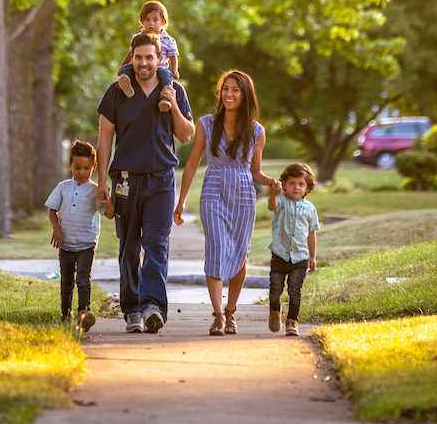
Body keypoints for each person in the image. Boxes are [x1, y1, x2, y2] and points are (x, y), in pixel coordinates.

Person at [97, 31, 194, 333]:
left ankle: (153, 306)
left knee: (156, 245)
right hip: (125, 181)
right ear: (132, 57)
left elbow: (186, 134)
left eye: (149, 57)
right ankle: (132, 310)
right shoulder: (117, 92)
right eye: (138, 57)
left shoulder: (173, 89)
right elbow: (104, 137)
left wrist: (173, 104)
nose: (143, 63)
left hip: (161, 181)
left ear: (159, 59)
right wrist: (101, 180)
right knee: (129, 246)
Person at [174, 70, 280, 336]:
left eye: (235, 90)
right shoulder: (206, 124)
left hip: (244, 192)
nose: (229, 94)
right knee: (217, 249)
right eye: (225, 89)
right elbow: (192, 164)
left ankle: (232, 312)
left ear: (245, 95)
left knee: (240, 255)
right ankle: (218, 316)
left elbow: (255, 171)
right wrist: (181, 201)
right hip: (213, 190)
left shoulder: (257, 131)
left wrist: (269, 182)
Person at [45, 140, 115, 332]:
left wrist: (107, 200)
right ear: (70, 166)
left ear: (94, 167)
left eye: (86, 168)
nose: (82, 172)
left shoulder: (95, 190)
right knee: (66, 282)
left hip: (86, 243)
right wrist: (56, 227)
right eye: (77, 167)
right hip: (66, 245)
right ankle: (65, 315)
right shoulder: (63, 187)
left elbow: (109, 214)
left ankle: (84, 313)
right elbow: (52, 209)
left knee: (83, 279)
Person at [267, 162, 319, 337]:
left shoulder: (310, 209)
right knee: (276, 290)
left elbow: (312, 234)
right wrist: (273, 193)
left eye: (301, 184)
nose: (296, 187)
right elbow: (272, 205)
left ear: (307, 187)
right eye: (292, 183)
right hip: (280, 255)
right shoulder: (280, 201)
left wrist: (312, 257)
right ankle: (275, 311)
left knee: (294, 291)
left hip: (300, 258)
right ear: (284, 184)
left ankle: (292, 321)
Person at [117, 0, 179, 112]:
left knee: (166, 76)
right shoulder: (138, 37)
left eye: (155, 20)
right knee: (127, 69)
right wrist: (122, 66)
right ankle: (126, 85)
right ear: (142, 22)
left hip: (161, 68)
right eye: (147, 20)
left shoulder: (168, 40)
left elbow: (173, 56)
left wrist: (175, 70)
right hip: (138, 67)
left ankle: (165, 98)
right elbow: (131, 53)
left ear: (163, 22)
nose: (151, 23)